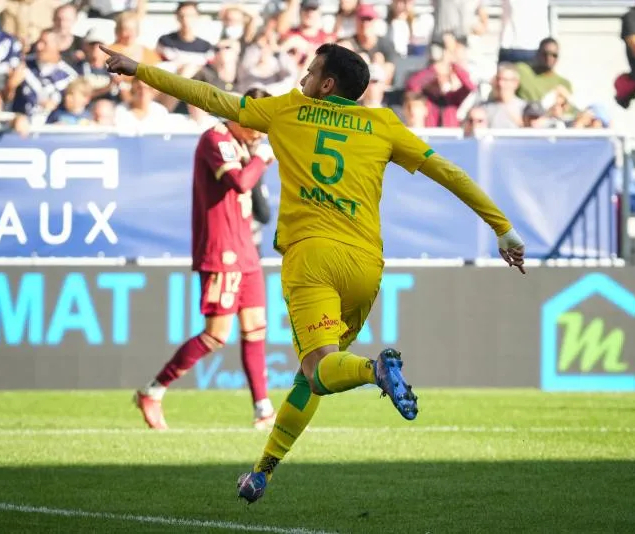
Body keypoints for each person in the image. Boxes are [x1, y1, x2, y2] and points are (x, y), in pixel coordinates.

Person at [101, 42, 526, 503]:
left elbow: (210, 97)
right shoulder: (383, 123)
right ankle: (263, 471)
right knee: (313, 376)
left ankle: (374, 370)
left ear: (326, 85)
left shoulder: (289, 110)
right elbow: (448, 173)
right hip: (365, 266)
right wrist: (502, 229)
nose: (301, 79)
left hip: (312, 259)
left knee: (320, 368)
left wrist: (139, 69)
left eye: (309, 72)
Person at [133, 87, 279, 432]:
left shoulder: (244, 143)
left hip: (246, 249)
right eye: (257, 126)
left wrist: (257, 156)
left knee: (256, 328)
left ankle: (263, 410)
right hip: (221, 249)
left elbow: (256, 201)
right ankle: (153, 391)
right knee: (216, 335)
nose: (260, 135)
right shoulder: (216, 139)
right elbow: (239, 182)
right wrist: (262, 159)